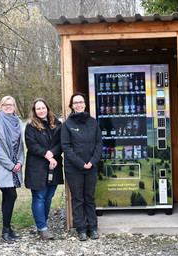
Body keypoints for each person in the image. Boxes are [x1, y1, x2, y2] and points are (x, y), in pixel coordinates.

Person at [61, 92, 102, 241]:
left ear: (85, 104)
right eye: (76, 102)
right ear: (72, 106)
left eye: (81, 102)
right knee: (78, 199)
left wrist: (93, 161)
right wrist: (81, 163)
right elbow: (66, 147)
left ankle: (93, 228)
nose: (79, 104)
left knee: (89, 198)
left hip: (91, 167)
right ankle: (81, 230)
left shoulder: (93, 122)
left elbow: (99, 143)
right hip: (74, 169)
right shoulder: (67, 125)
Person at [25, 98, 64, 239]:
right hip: (37, 167)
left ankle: (43, 224)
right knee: (39, 197)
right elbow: (31, 145)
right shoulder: (31, 126)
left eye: (43, 108)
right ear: (34, 111)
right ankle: (42, 228)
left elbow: (61, 142)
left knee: (48, 197)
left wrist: (53, 153)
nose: (41, 111)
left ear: (47, 108)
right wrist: (47, 154)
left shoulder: (57, 124)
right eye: (38, 109)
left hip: (53, 166)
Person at [0, 95, 24, 243]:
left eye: (11, 105)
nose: (8, 107)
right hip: (3, 166)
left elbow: (21, 146)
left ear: (15, 107)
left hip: (15, 165)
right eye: (5, 105)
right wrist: (11, 166)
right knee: (11, 195)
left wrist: (20, 161)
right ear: (0, 107)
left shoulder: (18, 123)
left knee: (8, 196)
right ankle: (5, 230)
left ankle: (8, 228)